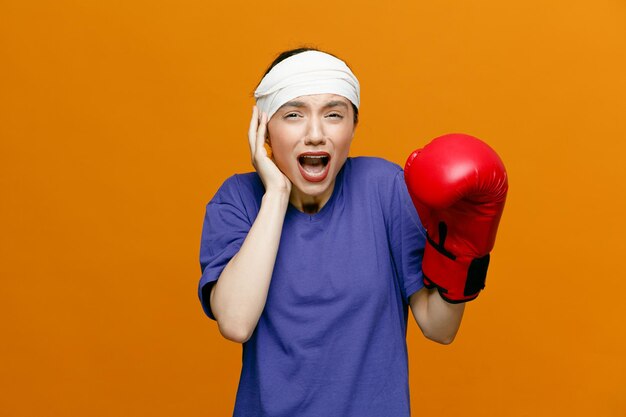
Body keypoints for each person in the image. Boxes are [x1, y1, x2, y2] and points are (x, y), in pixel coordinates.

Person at [197, 47, 507, 417]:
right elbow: (235, 322)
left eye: (333, 114)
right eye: (293, 114)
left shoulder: (385, 188)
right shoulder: (237, 200)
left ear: (354, 126)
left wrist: (465, 247)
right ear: (263, 128)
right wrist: (276, 194)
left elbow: (439, 328)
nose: (315, 134)